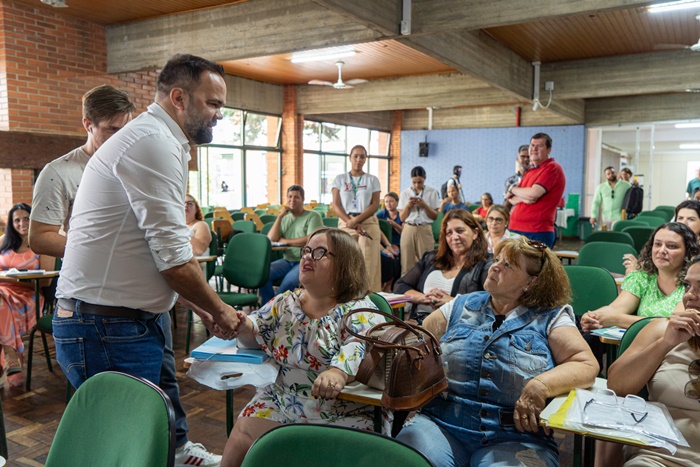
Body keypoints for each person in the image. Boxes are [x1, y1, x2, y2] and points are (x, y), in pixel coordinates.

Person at [54, 54, 241, 467]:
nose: (218, 115)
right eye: (213, 104)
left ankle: (178, 453)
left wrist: (198, 307)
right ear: (179, 97)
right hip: (105, 324)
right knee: (123, 451)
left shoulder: (161, 139)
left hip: (126, 319)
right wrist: (220, 309)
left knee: (154, 437)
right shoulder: (152, 142)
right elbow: (175, 260)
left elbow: (147, 252)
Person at [396, 237, 599, 466]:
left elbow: (585, 363)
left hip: (516, 437)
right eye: (497, 259)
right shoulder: (461, 305)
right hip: (441, 424)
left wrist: (540, 386)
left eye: (508, 265)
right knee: (405, 460)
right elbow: (418, 342)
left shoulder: (550, 317)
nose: (495, 266)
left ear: (531, 282)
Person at [221, 228, 384, 467]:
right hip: (282, 399)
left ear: (345, 265)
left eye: (319, 252)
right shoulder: (285, 302)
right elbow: (255, 329)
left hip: (340, 410)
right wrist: (240, 324)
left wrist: (338, 372)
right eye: (306, 250)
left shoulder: (358, 308)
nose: (307, 256)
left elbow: (359, 345)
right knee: (244, 430)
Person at [606, 256, 700, 466]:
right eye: (687, 286)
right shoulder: (662, 330)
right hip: (658, 457)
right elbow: (617, 385)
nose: (690, 296)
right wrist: (666, 343)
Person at [29, 85, 135, 257]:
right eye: (113, 129)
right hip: (90, 277)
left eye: (127, 130)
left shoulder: (138, 166)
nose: (122, 138)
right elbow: (40, 238)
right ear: (88, 125)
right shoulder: (58, 172)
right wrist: (106, 253)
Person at [582, 222, 699, 332]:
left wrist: (616, 319)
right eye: (657, 244)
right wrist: (593, 316)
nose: (662, 251)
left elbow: (674, 324)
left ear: (688, 253)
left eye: (671, 246)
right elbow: (616, 308)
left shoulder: (692, 285)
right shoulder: (641, 277)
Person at [394, 209, 492, 323]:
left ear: (475, 233)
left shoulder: (485, 263)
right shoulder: (432, 258)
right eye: (449, 233)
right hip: (418, 324)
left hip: (456, 330)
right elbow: (400, 285)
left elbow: (491, 304)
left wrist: (452, 303)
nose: (454, 237)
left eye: (460, 231)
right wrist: (423, 298)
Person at [0, 203, 54, 386]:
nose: (22, 223)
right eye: (17, 220)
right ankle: (8, 354)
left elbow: (46, 281)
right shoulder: (3, 242)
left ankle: (9, 353)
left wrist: (10, 280)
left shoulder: (42, 243)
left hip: (30, 296)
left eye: (26, 218)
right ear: (11, 223)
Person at [260, 184, 323, 304]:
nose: (292, 200)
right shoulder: (285, 218)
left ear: (303, 199)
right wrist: (280, 216)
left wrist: (285, 240)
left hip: (304, 261)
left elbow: (311, 240)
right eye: (289, 197)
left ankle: (274, 309)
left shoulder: (313, 216)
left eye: (296, 197)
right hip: (287, 260)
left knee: (288, 283)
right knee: (262, 274)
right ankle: (268, 309)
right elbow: (271, 239)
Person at [331, 145, 382, 292]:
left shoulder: (372, 180)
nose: (358, 160)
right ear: (350, 158)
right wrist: (350, 221)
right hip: (346, 221)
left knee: (368, 264)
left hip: (367, 222)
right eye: (356, 156)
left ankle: (369, 300)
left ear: (365, 159)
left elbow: (374, 205)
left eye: (362, 157)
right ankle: (345, 296)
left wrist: (356, 220)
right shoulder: (340, 179)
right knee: (344, 261)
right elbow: (336, 204)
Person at [506, 133, 566, 248]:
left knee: (533, 266)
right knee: (513, 266)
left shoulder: (552, 168)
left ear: (549, 149)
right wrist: (525, 195)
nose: (534, 149)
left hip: (537, 232)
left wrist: (512, 188)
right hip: (515, 230)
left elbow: (533, 194)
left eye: (540, 146)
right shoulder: (530, 171)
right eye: (532, 145)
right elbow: (511, 199)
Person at [398, 166, 441, 275]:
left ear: (425, 178)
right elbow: (402, 218)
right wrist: (408, 206)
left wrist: (424, 205)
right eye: (414, 182)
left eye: (420, 182)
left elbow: (435, 216)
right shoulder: (405, 193)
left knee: (427, 261)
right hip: (409, 228)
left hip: (424, 228)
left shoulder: (432, 192)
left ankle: (425, 288)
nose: (417, 185)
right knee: (406, 262)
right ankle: (405, 289)